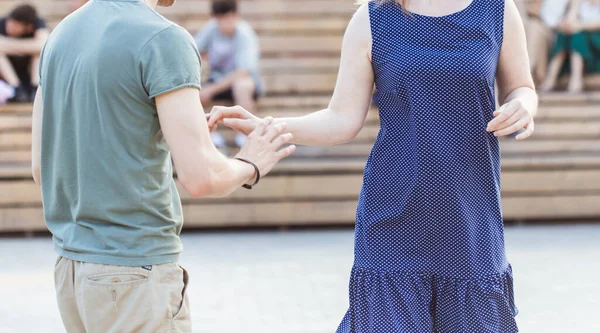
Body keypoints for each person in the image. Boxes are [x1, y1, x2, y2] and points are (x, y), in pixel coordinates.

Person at [209, 0, 537, 331]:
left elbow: (521, 86)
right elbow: (341, 119)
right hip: (392, 218)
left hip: (470, 218)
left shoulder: (497, 9)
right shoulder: (372, 18)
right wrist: (268, 126)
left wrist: (523, 104)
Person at [32, 0, 294, 331]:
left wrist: (166, 130)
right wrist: (250, 162)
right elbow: (201, 178)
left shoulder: (60, 36)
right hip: (133, 272)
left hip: (71, 270)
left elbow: (42, 169)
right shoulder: (162, 38)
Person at [195, 0, 262, 148]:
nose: (225, 23)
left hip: (241, 85)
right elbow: (194, 50)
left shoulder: (245, 34)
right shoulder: (211, 29)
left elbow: (243, 72)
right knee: (193, 88)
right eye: (221, 19)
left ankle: (246, 133)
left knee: (243, 85)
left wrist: (212, 89)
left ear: (236, 16)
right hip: (216, 79)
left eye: (229, 18)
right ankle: (207, 133)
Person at [541, 0, 600, 93]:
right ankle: (575, 79)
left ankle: (551, 78)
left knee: (577, 35)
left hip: (596, 40)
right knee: (568, 34)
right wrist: (567, 25)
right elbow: (571, 17)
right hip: (581, 37)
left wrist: (580, 26)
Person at [0, 4, 48, 102]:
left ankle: (35, 89)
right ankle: (17, 89)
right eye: (10, 23)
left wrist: (7, 45)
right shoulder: (2, 23)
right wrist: (29, 46)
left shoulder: (37, 24)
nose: (10, 28)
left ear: (29, 28)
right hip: (8, 79)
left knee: (39, 54)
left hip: (29, 74)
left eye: (15, 26)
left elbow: (44, 45)